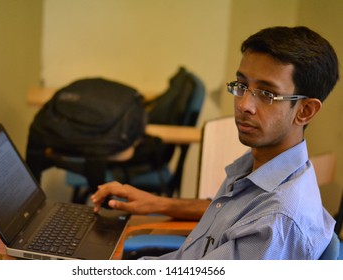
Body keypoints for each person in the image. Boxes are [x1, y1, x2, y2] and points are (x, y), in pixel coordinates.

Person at [91, 26, 339, 260]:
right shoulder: (262, 169)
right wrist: (158, 203)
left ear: (305, 111)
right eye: (241, 86)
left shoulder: (277, 222)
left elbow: (258, 221)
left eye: (266, 94)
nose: (244, 105)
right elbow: (231, 213)